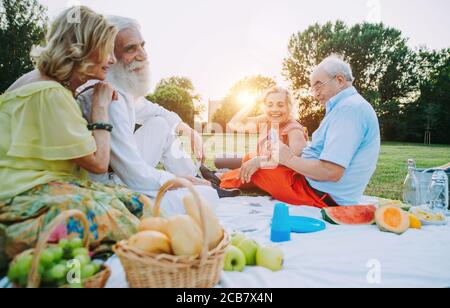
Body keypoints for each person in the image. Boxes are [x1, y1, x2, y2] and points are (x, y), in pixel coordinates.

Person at [0, 7, 148, 268]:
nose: (112, 60)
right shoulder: (50, 92)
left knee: (134, 201)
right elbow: (98, 163)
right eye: (106, 49)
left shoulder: (45, 83)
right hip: (17, 195)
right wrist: (100, 107)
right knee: (118, 217)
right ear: (83, 50)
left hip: (37, 186)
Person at [77, 16, 238, 215]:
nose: (143, 55)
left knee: (161, 124)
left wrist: (188, 131)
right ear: (109, 54)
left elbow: (154, 110)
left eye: (142, 46)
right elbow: (134, 174)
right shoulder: (109, 96)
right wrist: (182, 182)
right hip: (109, 192)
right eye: (130, 49)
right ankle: (200, 183)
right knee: (207, 198)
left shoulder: (120, 89)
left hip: (122, 178)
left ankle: (199, 177)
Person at [213, 55, 381, 207]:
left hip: (318, 194)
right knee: (253, 160)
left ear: (339, 80)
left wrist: (288, 158)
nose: (315, 94)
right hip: (315, 186)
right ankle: (220, 177)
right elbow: (235, 124)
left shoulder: (348, 110)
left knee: (258, 168)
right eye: (313, 88)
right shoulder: (346, 107)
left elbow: (331, 171)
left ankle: (218, 180)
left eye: (318, 85)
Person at [206, 87, 308, 190]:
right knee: (222, 160)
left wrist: (260, 161)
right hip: (264, 164)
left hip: (283, 176)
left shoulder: (294, 129)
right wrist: (253, 102)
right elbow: (234, 124)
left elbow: (297, 160)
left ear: (289, 107)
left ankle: (221, 177)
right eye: (270, 105)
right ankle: (229, 173)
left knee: (258, 169)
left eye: (280, 105)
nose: (274, 109)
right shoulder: (267, 121)